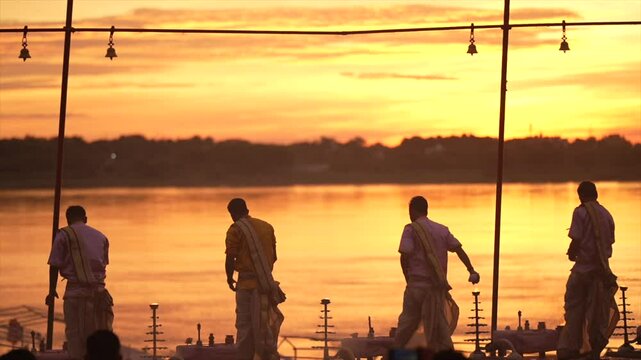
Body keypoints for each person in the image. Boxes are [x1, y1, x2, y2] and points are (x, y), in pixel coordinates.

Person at [394, 196, 480, 351]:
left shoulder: (411, 229)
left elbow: (404, 256)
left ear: (412, 211)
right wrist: (471, 270)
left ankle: (399, 356)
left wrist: (408, 280)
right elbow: (459, 249)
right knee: (439, 329)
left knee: (406, 329)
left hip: (416, 287)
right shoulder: (442, 230)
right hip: (435, 288)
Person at [557, 181, 619, 360]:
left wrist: (571, 252)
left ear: (581, 196)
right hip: (600, 273)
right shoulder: (607, 215)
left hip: (583, 272)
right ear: (596, 195)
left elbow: (576, 239)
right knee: (597, 315)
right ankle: (594, 351)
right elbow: (609, 243)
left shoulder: (580, 212)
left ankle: (573, 349)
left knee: (574, 310)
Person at [46, 206, 114, 359]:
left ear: (68, 220)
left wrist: (51, 291)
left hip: (76, 295)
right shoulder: (101, 237)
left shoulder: (64, 235)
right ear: (85, 219)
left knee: (76, 338)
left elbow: (54, 264)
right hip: (100, 295)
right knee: (100, 337)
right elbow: (103, 265)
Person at [225, 198, 285, 360]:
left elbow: (230, 257)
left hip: (246, 286)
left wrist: (229, 278)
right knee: (265, 327)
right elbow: (273, 257)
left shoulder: (235, 229)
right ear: (247, 209)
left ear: (233, 213)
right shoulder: (267, 227)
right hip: (266, 286)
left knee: (245, 328)